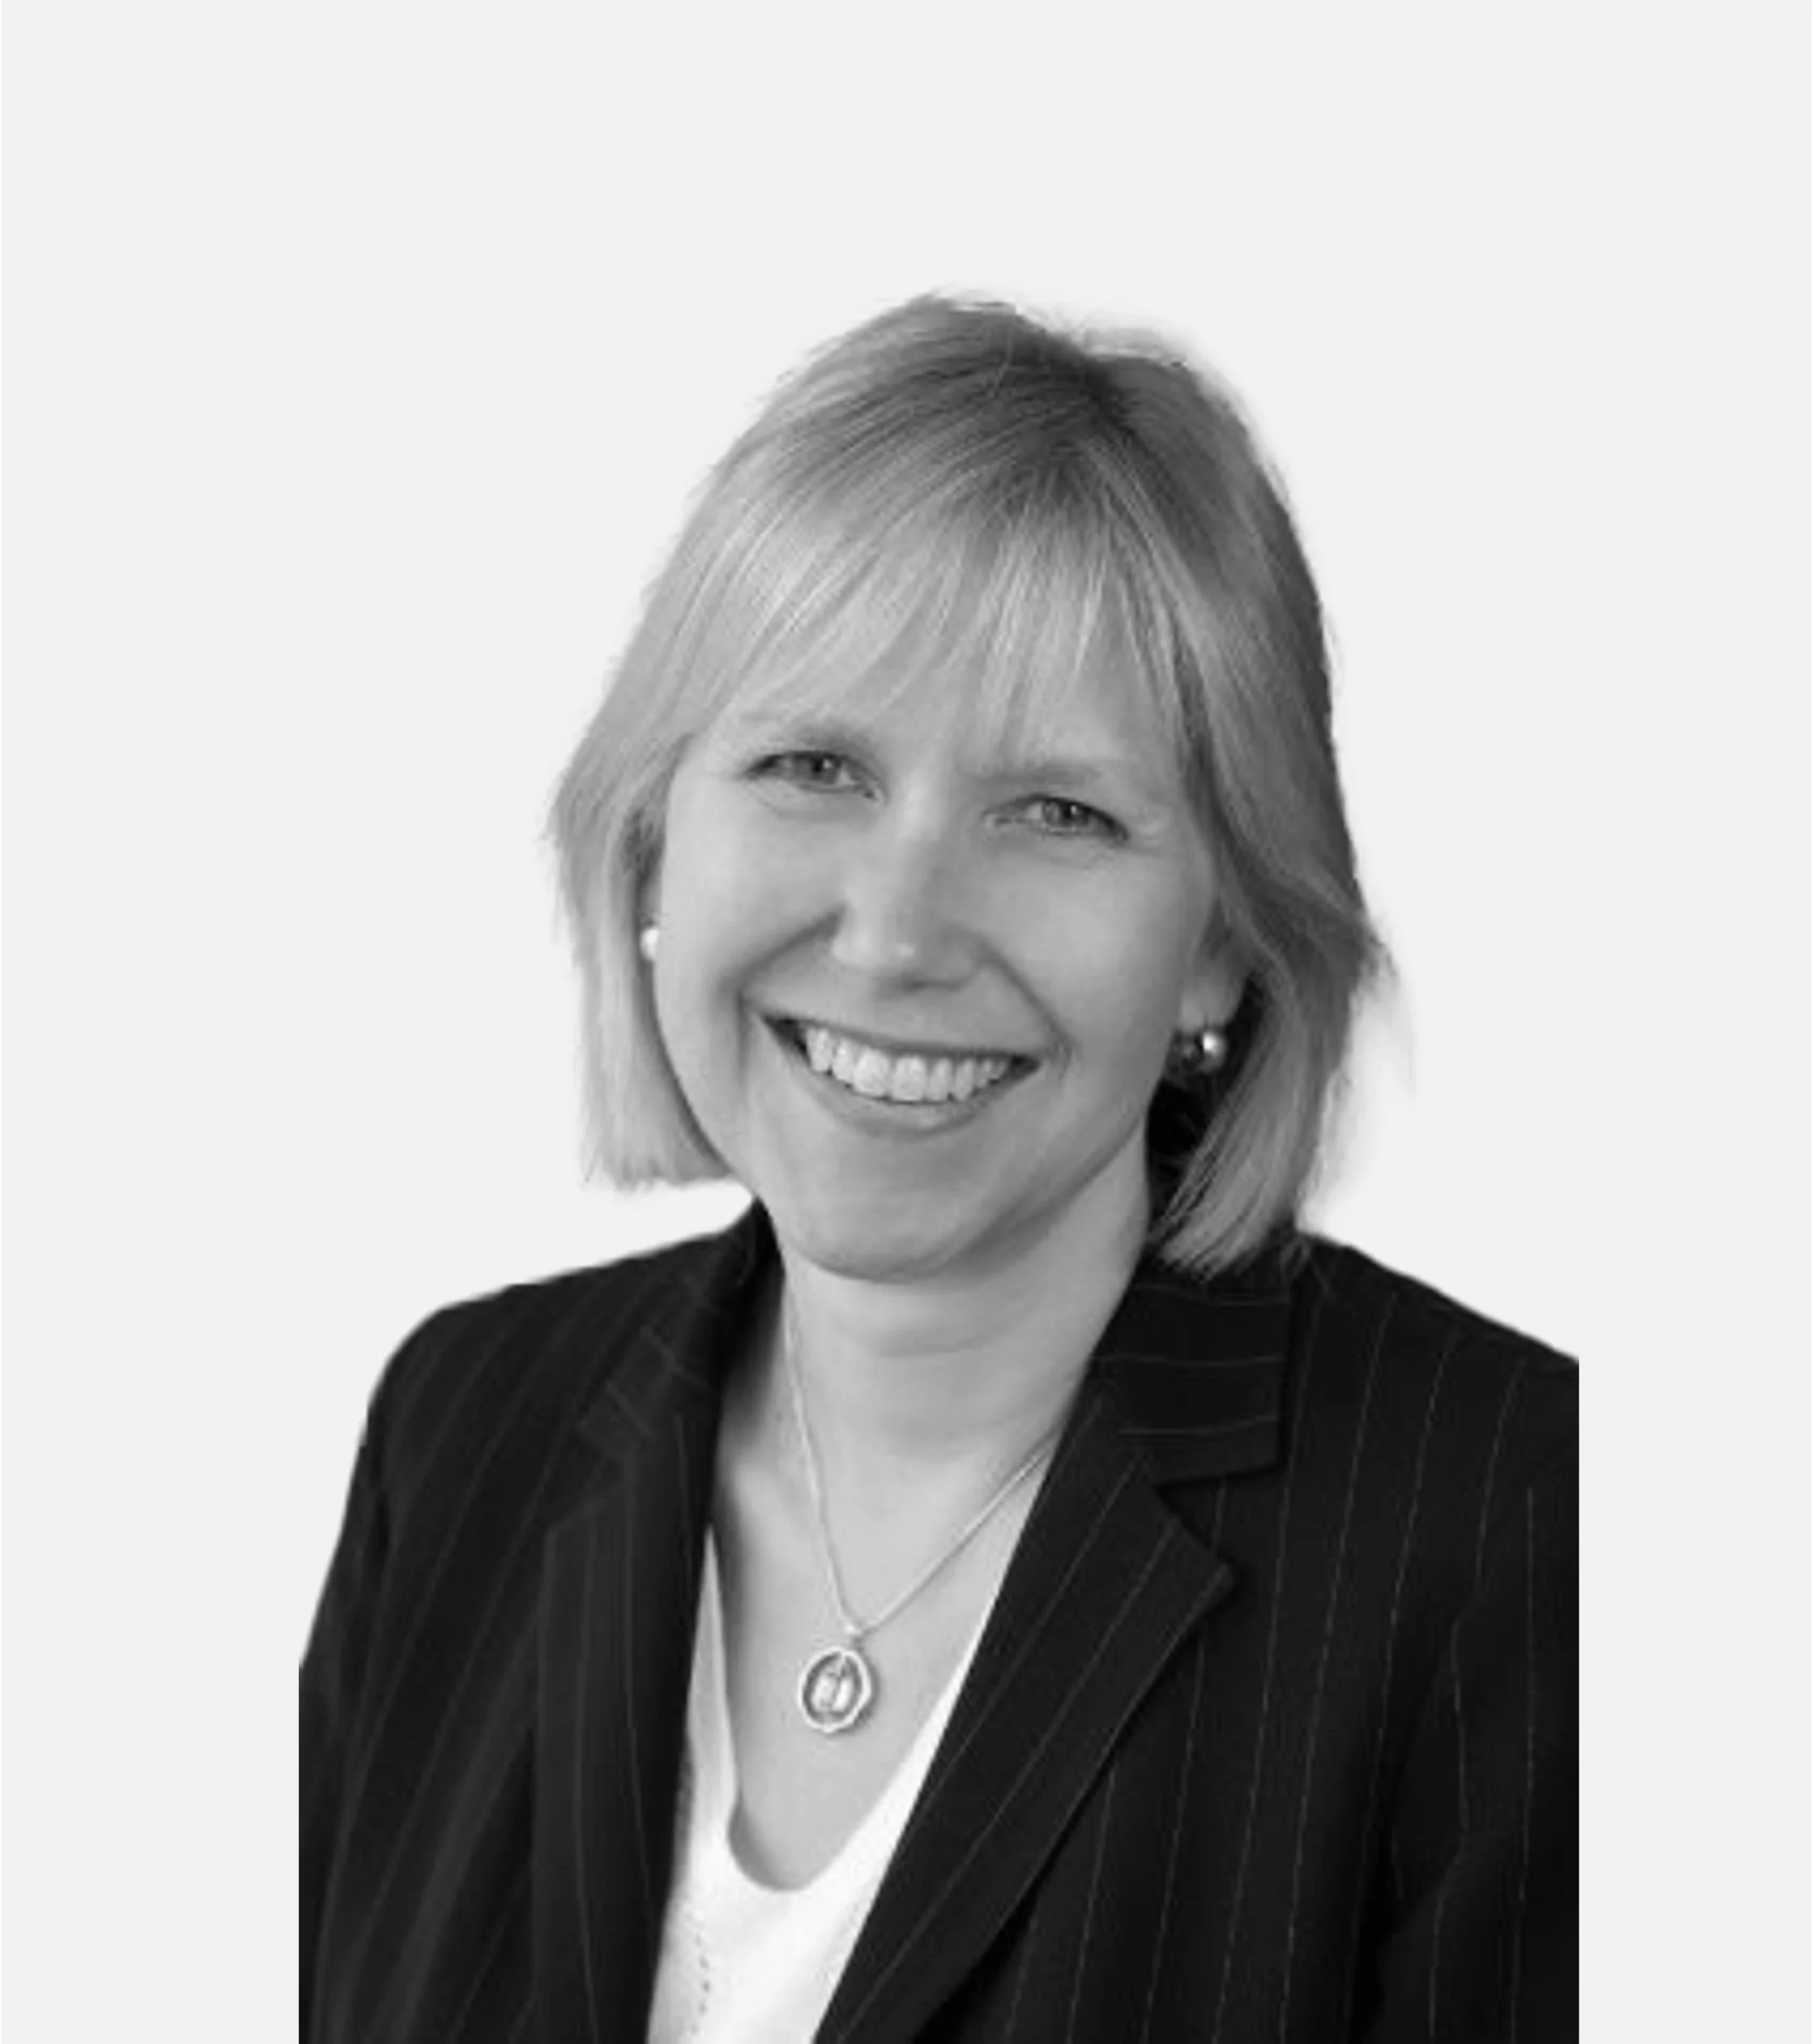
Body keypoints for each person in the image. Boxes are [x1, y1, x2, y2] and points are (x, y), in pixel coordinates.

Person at [301, 296, 1577, 2042]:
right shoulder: (460, 1426)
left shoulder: (1515, 1524)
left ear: (1219, 944)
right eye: (811, 766)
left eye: (1055, 812)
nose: (894, 934)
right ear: (655, 838)